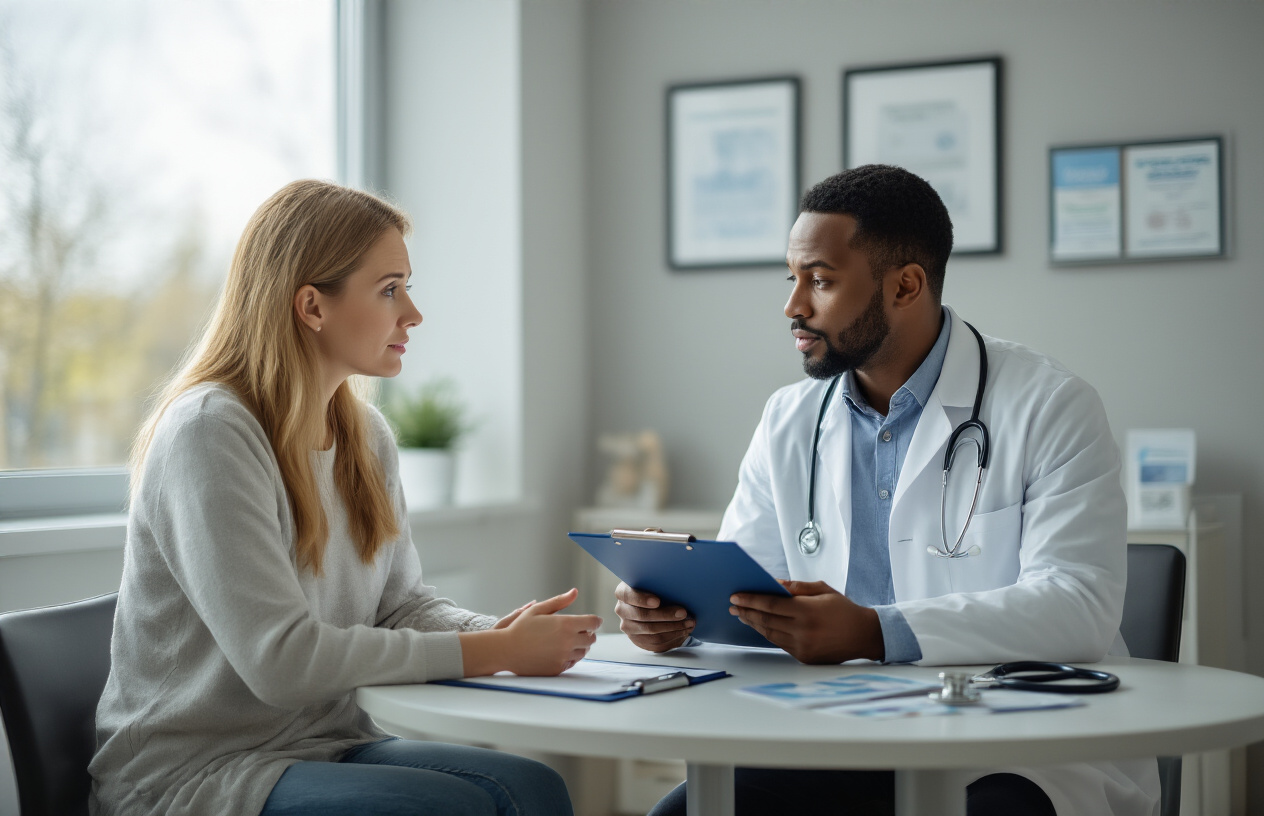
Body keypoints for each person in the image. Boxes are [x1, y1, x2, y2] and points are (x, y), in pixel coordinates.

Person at [615, 165, 1160, 816]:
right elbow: (749, 591)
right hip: (835, 734)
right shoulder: (790, 417)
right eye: (793, 279)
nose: (793, 305)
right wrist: (677, 615)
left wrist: (877, 632)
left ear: (905, 285)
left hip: (1013, 742)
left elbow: (1079, 607)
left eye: (820, 280)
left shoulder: (1050, 404)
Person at [90, 179, 601, 816]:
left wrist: (498, 631)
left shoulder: (366, 435)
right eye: (390, 290)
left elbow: (401, 604)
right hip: (194, 773)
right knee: (453, 810)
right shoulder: (209, 433)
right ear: (312, 306)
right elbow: (281, 661)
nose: (412, 313)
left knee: (534, 787)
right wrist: (495, 653)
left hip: (323, 743)